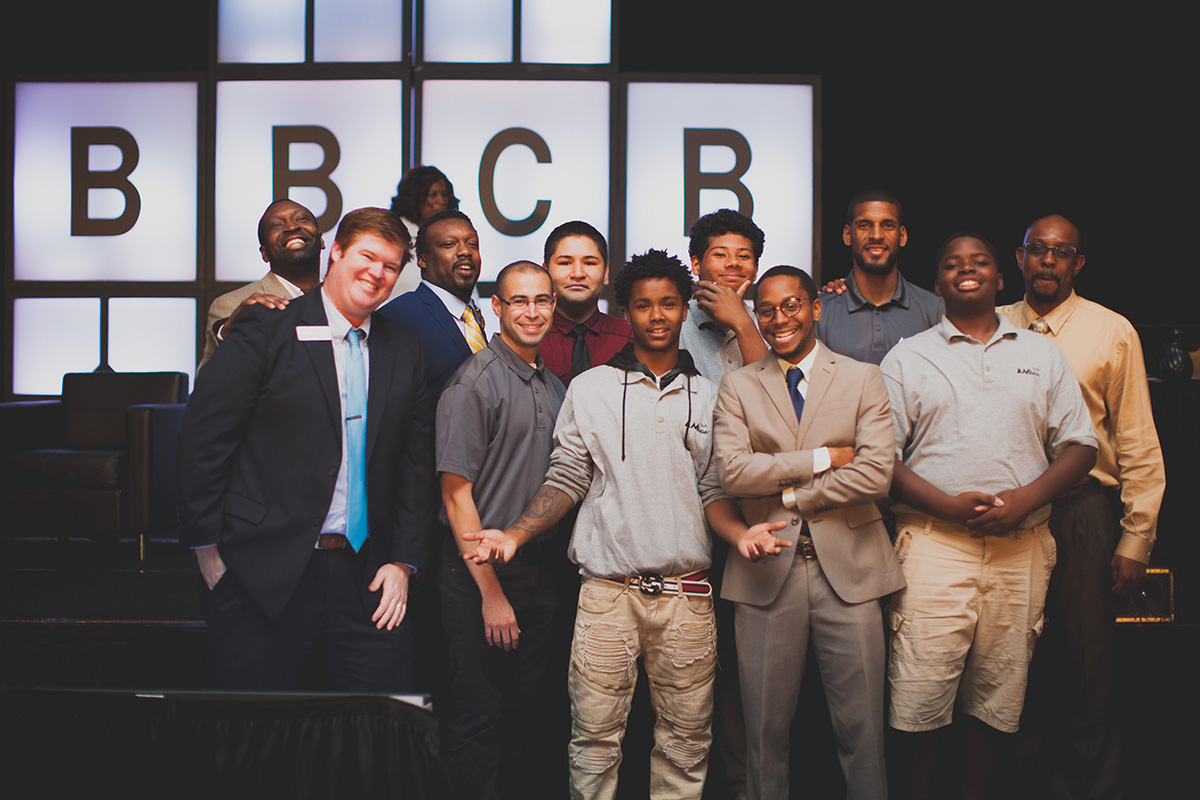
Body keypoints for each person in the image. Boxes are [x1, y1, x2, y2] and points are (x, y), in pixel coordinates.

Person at [462, 249, 785, 800]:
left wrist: (740, 534)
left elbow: (713, 489)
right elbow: (566, 474)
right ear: (627, 314)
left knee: (685, 747)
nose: (656, 316)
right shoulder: (590, 389)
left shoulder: (712, 396)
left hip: (688, 596)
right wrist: (515, 534)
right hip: (606, 595)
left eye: (667, 304)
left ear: (685, 310)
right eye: (642, 306)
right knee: (593, 744)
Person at [177, 207, 434, 691]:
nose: (377, 273)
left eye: (391, 265)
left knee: (379, 734)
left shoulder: (405, 348)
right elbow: (203, 441)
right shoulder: (264, 327)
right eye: (368, 256)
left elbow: (416, 466)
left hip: (369, 581)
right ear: (334, 251)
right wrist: (208, 553)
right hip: (263, 573)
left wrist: (403, 562)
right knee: (253, 742)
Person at [880, 232, 1098, 799]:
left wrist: (1025, 500)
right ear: (938, 284)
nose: (966, 270)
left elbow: (1081, 447)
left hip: (1021, 547)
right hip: (933, 546)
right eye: (953, 264)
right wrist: (949, 506)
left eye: (980, 262)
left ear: (1001, 280)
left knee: (996, 702)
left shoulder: (1041, 353)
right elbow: (883, 460)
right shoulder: (908, 356)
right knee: (918, 701)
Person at [713, 265, 904, 800]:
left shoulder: (863, 377)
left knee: (863, 734)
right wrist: (823, 457)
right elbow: (732, 472)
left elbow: (874, 473)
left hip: (852, 573)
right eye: (767, 310)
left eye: (792, 305)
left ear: (816, 308)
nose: (780, 319)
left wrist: (794, 495)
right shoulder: (738, 386)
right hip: (766, 575)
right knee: (762, 738)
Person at [1000, 214, 1165, 799]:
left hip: (1083, 512)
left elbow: (1139, 441)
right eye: (1037, 250)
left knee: (1085, 669)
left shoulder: (1111, 331)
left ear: (1078, 263)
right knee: (1008, 666)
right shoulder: (985, 326)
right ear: (1018, 258)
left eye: (1061, 252)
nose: (1047, 261)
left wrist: (1135, 539)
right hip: (1006, 519)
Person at [437, 261, 567, 800]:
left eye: (542, 300)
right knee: (478, 718)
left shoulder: (554, 385)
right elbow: (454, 495)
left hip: (538, 575)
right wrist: (491, 594)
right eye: (520, 301)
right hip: (478, 579)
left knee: (526, 717)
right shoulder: (474, 383)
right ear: (497, 307)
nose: (532, 312)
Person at [816, 190, 942, 365]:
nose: (876, 235)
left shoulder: (934, 308)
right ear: (847, 235)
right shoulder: (820, 311)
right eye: (864, 225)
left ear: (902, 236)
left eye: (888, 225)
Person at [198, 199, 323, 369]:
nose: (292, 227)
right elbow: (207, 388)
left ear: (322, 241)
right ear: (265, 254)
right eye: (277, 225)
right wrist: (227, 335)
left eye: (301, 219)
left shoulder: (347, 301)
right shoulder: (231, 305)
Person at [378, 209, 487, 406]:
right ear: (422, 260)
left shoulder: (472, 317)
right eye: (449, 244)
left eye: (472, 244)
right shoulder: (399, 315)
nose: (465, 251)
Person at [538, 220, 631, 388]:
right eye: (565, 263)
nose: (578, 273)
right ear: (545, 272)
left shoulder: (631, 339)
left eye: (589, 263)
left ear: (606, 273)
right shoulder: (529, 338)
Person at [681, 208, 769, 381]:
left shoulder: (769, 322)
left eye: (744, 256)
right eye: (720, 254)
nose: (734, 262)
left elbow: (770, 393)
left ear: (756, 270)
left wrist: (742, 322)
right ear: (696, 264)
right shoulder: (678, 322)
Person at [388, 165, 460, 299]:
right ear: (415, 198)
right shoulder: (393, 233)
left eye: (445, 195)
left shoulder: (456, 236)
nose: (441, 201)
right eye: (433, 195)